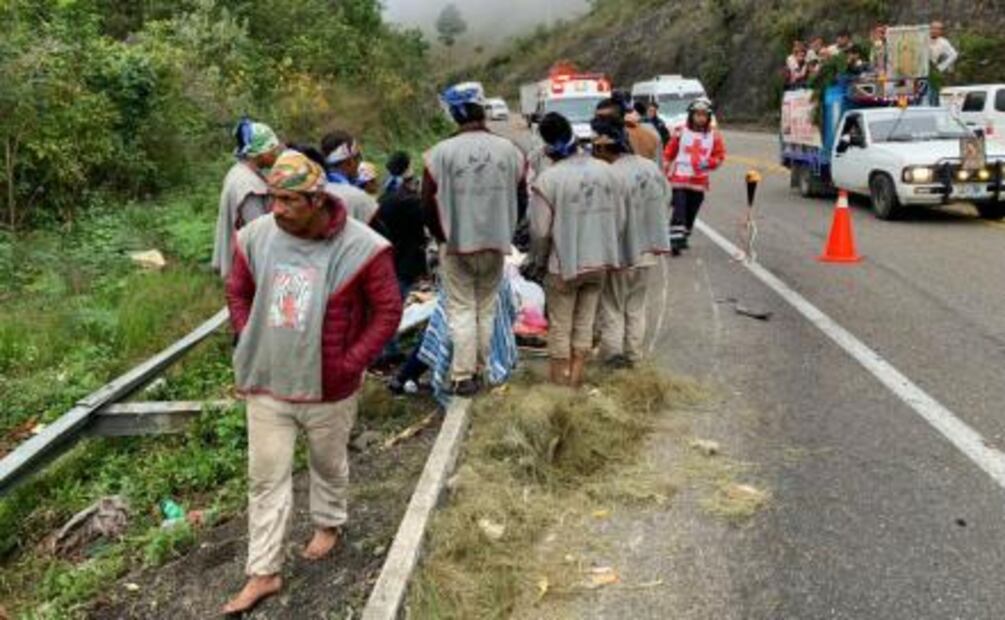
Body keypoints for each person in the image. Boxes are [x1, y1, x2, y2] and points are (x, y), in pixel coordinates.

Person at [222, 150, 402, 614]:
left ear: (317, 200)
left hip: (329, 383)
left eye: (287, 201)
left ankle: (328, 520)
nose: (276, 209)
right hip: (267, 381)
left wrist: (352, 360)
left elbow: (387, 311)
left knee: (327, 461)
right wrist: (250, 334)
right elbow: (238, 289)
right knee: (266, 477)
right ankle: (263, 571)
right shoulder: (256, 237)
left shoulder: (360, 247)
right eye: (273, 198)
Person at [422, 85, 527, 396]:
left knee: (462, 308)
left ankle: (462, 375)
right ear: (482, 110)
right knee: (487, 306)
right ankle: (483, 369)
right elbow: (521, 197)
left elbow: (427, 203)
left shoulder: (438, 154)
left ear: (455, 114)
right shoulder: (510, 151)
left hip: (455, 244)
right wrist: (506, 227)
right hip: (496, 242)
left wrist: (442, 238)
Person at [527, 112, 623, 387]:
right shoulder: (607, 171)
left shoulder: (548, 180)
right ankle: (576, 381)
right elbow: (620, 218)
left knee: (560, 326)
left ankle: (559, 387)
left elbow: (540, 232)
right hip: (599, 263)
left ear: (547, 146)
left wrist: (537, 261)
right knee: (585, 323)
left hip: (563, 267)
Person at [592, 116, 670, 368]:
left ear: (605, 148)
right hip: (648, 250)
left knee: (613, 306)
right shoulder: (651, 168)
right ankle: (635, 357)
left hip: (621, 252)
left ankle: (613, 358)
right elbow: (666, 198)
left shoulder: (609, 174)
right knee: (636, 306)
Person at [372, 152, 428, 359]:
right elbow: (422, 225)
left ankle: (388, 348)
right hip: (405, 260)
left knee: (387, 305)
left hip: (387, 257)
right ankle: (388, 350)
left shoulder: (384, 196)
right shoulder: (409, 200)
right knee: (394, 307)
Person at [212, 119, 282, 278]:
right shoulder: (248, 186)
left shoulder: (238, 171)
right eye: (273, 150)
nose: (275, 155)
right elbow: (259, 233)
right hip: (248, 267)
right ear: (261, 152)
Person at [664, 98, 726, 255]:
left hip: (699, 180)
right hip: (680, 178)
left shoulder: (715, 136)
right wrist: (666, 163)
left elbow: (719, 156)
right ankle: (675, 242)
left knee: (692, 210)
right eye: (697, 114)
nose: (700, 118)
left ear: (708, 117)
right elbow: (670, 150)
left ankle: (683, 234)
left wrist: (709, 163)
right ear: (691, 115)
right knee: (680, 209)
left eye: (703, 115)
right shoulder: (680, 131)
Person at [321, 130, 379, 224]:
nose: (359, 163)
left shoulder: (315, 190)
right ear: (350, 162)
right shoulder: (356, 196)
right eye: (358, 158)